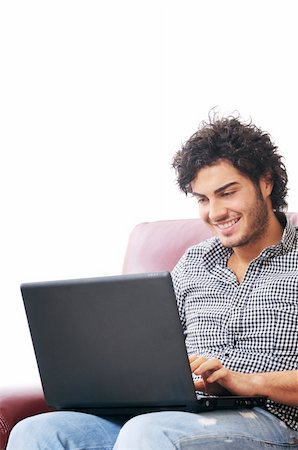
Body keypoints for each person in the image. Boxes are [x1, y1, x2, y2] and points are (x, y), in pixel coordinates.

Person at [7, 114, 298, 449]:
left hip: (272, 420)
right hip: (178, 413)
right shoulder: (194, 262)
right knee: (38, 432)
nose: (215, 212)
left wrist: (244, 382)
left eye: (227, 193)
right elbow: (149, 352)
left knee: (149, 433)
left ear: (266, 182)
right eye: (203, 199)